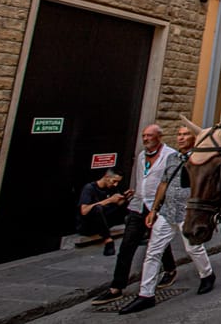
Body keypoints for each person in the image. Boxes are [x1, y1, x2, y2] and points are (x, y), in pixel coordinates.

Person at [118, 125, 216, 314]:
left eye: (185, 134)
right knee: (153, 251)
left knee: (193, 248)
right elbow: (164, 183)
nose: (180, 138)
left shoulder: (201, 159)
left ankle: (207, 275)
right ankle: (146, 294)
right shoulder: (172, 158)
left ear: (194, 138)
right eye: (178, 134)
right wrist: (154, 209)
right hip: (166, 211)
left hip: (187, 212)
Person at [91, 125, 178, 306]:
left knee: (158, 243)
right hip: (139, 206)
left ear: (159, 137)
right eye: (144, 135)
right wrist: (134, 194)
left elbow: (171, 182)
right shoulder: (141, 155)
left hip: (160, 206)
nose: (145, 139)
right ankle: (117, 287)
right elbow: (141, 178)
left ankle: (169, 270)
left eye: (149, 136)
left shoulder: (171, 155)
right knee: (127, 246)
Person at [76, 169, 133, 256]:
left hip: (104, 222)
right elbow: (84, 211)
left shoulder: (112, 188)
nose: (115, 184)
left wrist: (124, 199)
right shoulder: (90, 188)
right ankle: (108, 240)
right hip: (88, 225)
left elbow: (116, 206)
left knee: (125, 206)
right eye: (114, 181)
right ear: (106, 177)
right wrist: (109, 200)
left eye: (117, 182)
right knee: (98, 208)